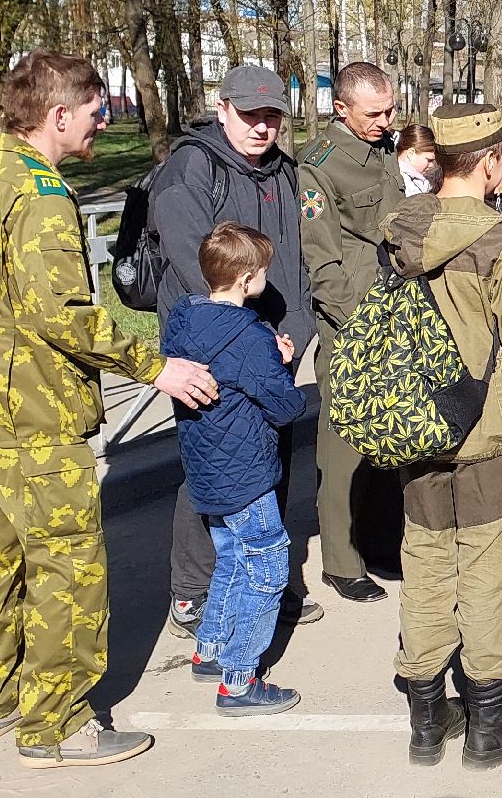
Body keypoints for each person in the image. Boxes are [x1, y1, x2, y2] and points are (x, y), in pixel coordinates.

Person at [0, 50, 216, 767]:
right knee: (64, 569)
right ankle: (57, 725)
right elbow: (61, 316)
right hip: (34, 420)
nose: (104, 123)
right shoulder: (39, 195)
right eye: (96, 114)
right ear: (58, 116)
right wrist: (156, 365)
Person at [383, 103, 502, 770]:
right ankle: (489, 724)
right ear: (490, 163)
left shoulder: (399, 227)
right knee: (486, 574)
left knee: (424, 566)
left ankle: (427, 723)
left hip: (415, 430)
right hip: (488, 437)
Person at [157, 65, 323, 640]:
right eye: (250, 114)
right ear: (221, 107)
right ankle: (194, 591)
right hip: (212, 345)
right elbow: (193, 265)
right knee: (214, 463)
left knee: (268, 455)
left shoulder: (285, 171)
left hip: (273, 339)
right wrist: (249, 341)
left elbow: (300, 262)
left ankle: (262, 583)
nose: (261, 126)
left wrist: (293, 333)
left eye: (271, 115)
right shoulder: (189, 168)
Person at [166, 223, 308, 717]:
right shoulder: (248, 337)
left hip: (205, 465)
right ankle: (239, 680)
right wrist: (282, 362)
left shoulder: (184, 318)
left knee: (228, 554)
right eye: (264, 272)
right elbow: (286, 407)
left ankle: (210, 650)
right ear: (248, 280)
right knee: (267, 566)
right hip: (246, 469)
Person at [298, 61, 407, 604]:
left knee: (391, 435)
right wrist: (359, 324)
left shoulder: (382, 149)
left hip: (396, 308)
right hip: (351, 321)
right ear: (340, 109)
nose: (388, 121)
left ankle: (383, 543)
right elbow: (322, 262)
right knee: (343, 444)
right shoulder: (319, 165)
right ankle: (342, 561)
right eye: (375, 113)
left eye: (389, 109)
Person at [396, 123, 438, 195]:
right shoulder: (402, 184)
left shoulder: (416, 179)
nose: (431, 165)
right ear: (411, 154)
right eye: (428, 160)